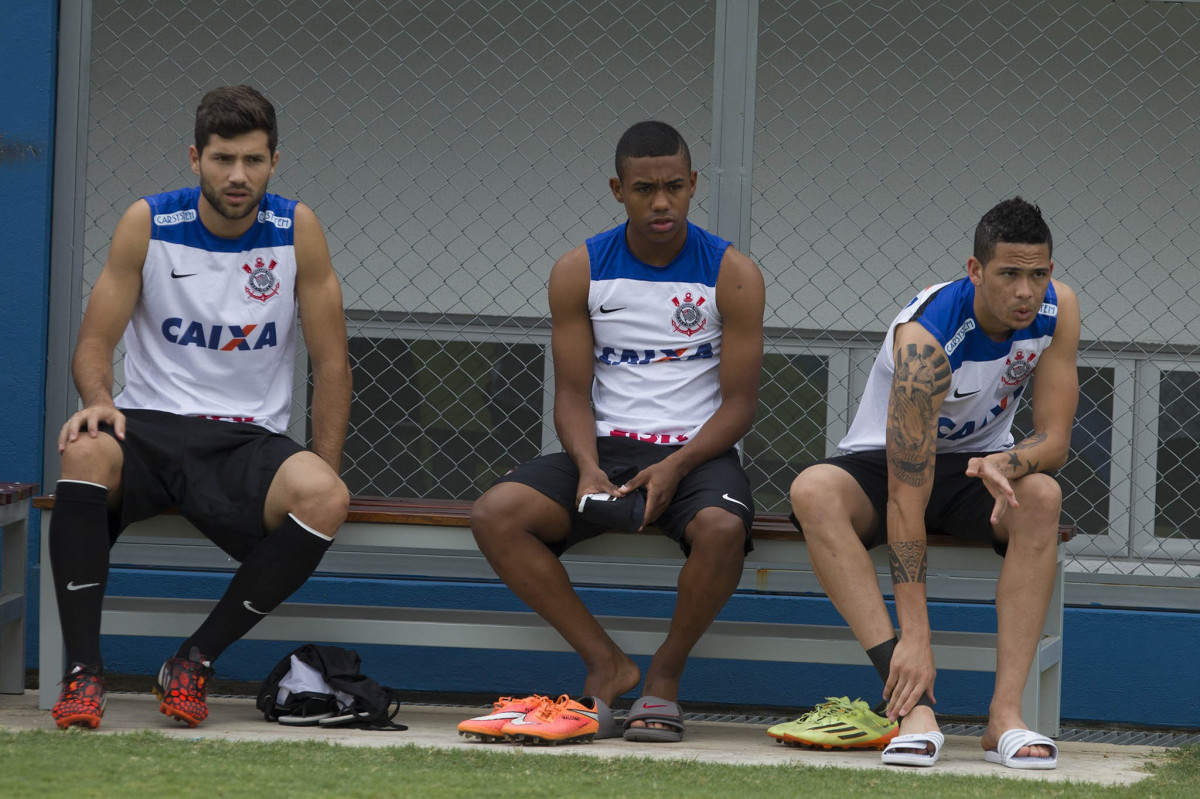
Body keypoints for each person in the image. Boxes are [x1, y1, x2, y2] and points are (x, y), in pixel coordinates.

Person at [49, 85, 352, 729]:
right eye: (222, 159)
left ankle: (193, 662)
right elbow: (94, 343)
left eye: (252, 160)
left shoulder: (296, 228)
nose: (237, 175)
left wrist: (324, 465)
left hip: (246, 440)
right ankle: (82, 674)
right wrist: (99, 402)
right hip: (150, 427)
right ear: (195, 158)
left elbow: (331, 363)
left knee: (326, 497)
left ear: (274, 161)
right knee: (83, 447)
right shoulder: (148, 222)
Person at [460, 121, 765, 745]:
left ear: (693, 186)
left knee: (723, 528)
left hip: (696, 452)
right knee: (496, 514)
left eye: (675, 187)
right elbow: (571, 394)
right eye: (644, 188)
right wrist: (589, 466)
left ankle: (663, 681)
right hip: (605, 450)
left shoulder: (732, 273)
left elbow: (738, 405)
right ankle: (607, 663)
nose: (661, 202)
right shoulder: (579, 270)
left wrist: (677, 466)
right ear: (617, 189)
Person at [784, 197, 1079, 769]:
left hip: (978, 465)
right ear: (975, 270)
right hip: (887, 466)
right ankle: (913, 706)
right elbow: (904, 494)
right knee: (813, 490)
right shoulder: (926, 342)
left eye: (1038, 274)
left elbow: (1055, 441)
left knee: (1043, 495)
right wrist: (915, 636)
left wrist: (1010, 463)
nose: (1026, 291)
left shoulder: (1057, 309)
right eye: (1009, 274)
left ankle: (1005, 719)